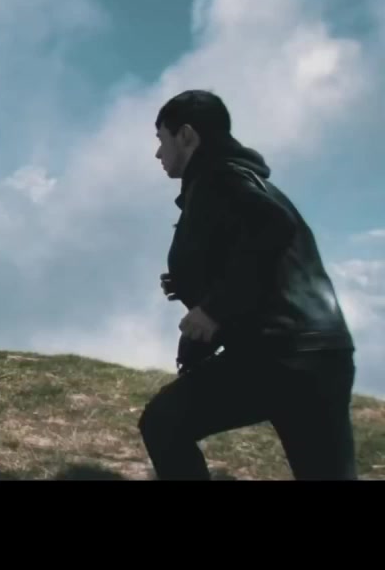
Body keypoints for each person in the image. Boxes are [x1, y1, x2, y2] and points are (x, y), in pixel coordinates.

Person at [139, 89, 358, 480]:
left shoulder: (217, 177)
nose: (158, 153)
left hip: (276, 355)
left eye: (161, 139)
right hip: (322, 354)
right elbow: (254, 252)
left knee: (164, 422)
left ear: (186, 135)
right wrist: (191, 282)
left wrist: (213, 309)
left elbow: (271, 226)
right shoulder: (239, 178)